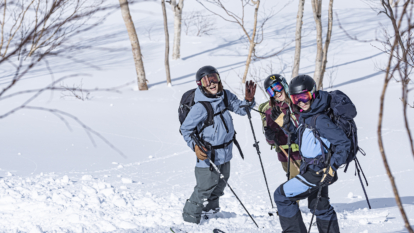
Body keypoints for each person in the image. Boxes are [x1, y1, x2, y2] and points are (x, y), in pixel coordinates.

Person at [273, 75, 350, 233]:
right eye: (296, 98)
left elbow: (343, 143)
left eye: (304, 96)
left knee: (282, 196)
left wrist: (332, 167)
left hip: (318, 171)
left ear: (313, 93)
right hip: (312, 168)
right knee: (320, 207)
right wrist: (285, 124)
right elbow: (302, 138)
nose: (301, 101)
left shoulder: (320, 119)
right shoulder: (307, 115)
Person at [180, 65, 256, 224]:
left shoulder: (225, 96)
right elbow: (185, 130)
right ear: (200, 84)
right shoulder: (200, 107)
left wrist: (248, 101)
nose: (211, 83)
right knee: (204, 188)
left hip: (225, 153)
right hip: (207, 155)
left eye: (214, 78)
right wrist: (195, 147)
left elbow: (242, 110)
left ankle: (211, 211)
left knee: (219, 186)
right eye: (206, 81)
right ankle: (190, 219)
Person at [261, 74, 301, 180]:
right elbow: (271, 141)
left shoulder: (298, 103)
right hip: (288, 156)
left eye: (277, 87)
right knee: (296, 188)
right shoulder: (271, 111)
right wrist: (270, 137)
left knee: (314, 187)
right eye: (271, 91)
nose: (276, 93)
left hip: (307, 152)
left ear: (284, 85)